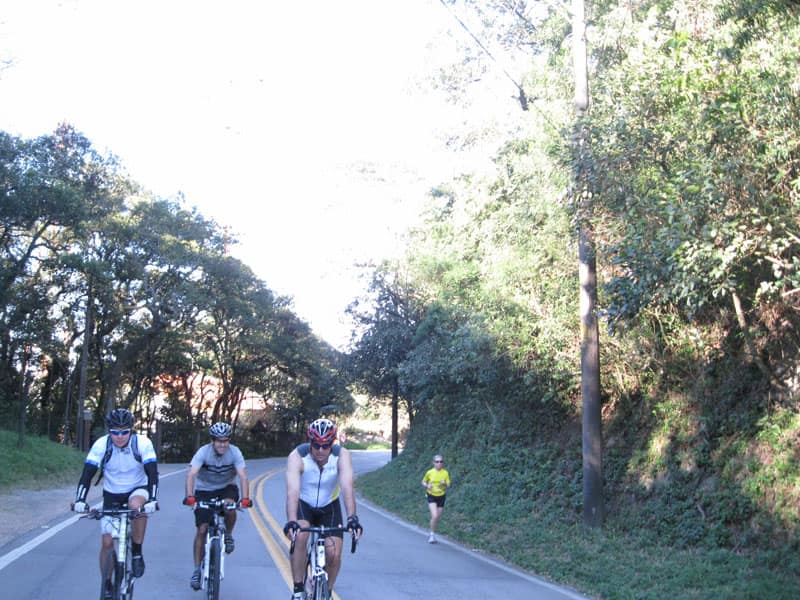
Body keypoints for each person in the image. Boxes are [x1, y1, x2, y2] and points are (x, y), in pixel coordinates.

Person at [72, 408, 159, 599]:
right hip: (112, 494)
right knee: (107, 542)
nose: (119, 437)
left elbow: (152, 473)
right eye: (115, 432)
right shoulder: (101, 445)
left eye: (124, 432)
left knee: (136, 506)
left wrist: (152, 499)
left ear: (131, 430)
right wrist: (80, 500)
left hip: (137, 488)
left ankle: (137, 552)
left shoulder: (142, 443)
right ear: (109, 431)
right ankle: (107, 583)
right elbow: (87, 474)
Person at [283, 418, 363, 600]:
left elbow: (347, 487)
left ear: (332, 443)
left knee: (333, 553)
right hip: (304, 504)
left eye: (326, 445)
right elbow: (293, 492)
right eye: (316, 445)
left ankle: (327, 592)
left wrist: (352, 517)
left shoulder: (342, 456)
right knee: (300, 536)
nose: (320, 450)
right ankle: (298, 588)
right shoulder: (297, 456)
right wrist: (292, 521)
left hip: (329, 505)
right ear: (309, 442)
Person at [182, 422, 252, 591]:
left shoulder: (235, 452)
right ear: (212, 441)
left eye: (225, 441)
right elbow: (191, 474)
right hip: (204, 490)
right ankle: (197, 570)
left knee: (230, 507)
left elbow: (243, 477)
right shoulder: (203, 452)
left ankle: (228, 534)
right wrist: (190, 497)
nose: (222, 445)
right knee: (202, 529)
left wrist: (245, 499)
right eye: (219, 441)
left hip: (226, 488)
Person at [421, 454, 450, 543]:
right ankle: (432, 535)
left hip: (441, 496)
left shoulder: (445, 473)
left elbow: (449, 485)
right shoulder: (430, 472)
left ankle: (433, 532)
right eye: (437, 462)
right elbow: (423, 481)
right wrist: (427, 485)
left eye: (441, 461)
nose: (439, 463)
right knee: (435, 515)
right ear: (433, 463)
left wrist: (444, 483)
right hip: (431, 496)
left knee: (437, 518)